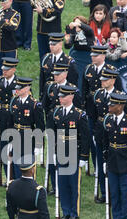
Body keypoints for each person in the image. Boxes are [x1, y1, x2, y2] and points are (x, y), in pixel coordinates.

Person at [51, 85, 90, 219]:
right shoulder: (57, 112)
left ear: (71, 97)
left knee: (73, 183)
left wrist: (84, 157)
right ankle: (66, 210)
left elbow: (85, 137)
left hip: (74, 150)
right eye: (60, 96)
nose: (60, 98)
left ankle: (74, 212)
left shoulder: (79, 114)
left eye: (63, 96)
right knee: (62, 183)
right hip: (61, 150)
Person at [41, 63, 82, 195]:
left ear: (65, 74)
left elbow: (78, 109)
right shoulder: (49, 86)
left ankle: (65, 185)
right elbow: (45, 105)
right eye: (54, 74)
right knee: (52, 158)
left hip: (68, 129)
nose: (55, 76)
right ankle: (54, 184)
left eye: (58, 74)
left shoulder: (72, 89)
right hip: (53, 124)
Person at [92, 67, 120, 203]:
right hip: (100, 131)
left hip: (113, 133)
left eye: (106, 79)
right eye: (102, 78)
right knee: (100, 161)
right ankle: (104, 192)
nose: (102, 81)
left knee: (112, 162)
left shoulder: (119, 96)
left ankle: (113, 191)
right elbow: (92, 114)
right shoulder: (98, 94)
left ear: (113, 80)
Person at [7, 77, 45, 179]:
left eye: (20, 88)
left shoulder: (35, 105)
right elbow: (11, 122)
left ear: (27, 88)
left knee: (27, 165)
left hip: (28, 138)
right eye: (17, 88)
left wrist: (38, 144)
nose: (17, 90)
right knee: (16, 164)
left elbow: (40, 127)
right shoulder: (14, 101)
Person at [0, 57, 19, 181]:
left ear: (13, 69)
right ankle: (8, 176)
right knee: (4, 149)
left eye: (7, 69)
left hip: (14, 120)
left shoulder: (19, 84)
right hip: (1, 120)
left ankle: (15, 176)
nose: (4, 71)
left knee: (14, 150)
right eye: (3, 69)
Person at [39, 33, 78, 99]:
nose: (51, 46)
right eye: (50, 44)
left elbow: (72, 82)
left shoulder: (68, 62)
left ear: (60, 44)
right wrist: (41, 96)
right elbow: (42, 79)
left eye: (54, 44)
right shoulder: (45, 58)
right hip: (48, 96)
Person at [64, 16, 95, 91]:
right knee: (78, 78)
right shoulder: (74, 34)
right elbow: (67, 46)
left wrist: (78, 24)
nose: (76, 25)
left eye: (78, 23)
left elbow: (89, 29)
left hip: (88, 57)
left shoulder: (88, 32)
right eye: (74, 22)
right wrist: (67, 40)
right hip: (77, 58)